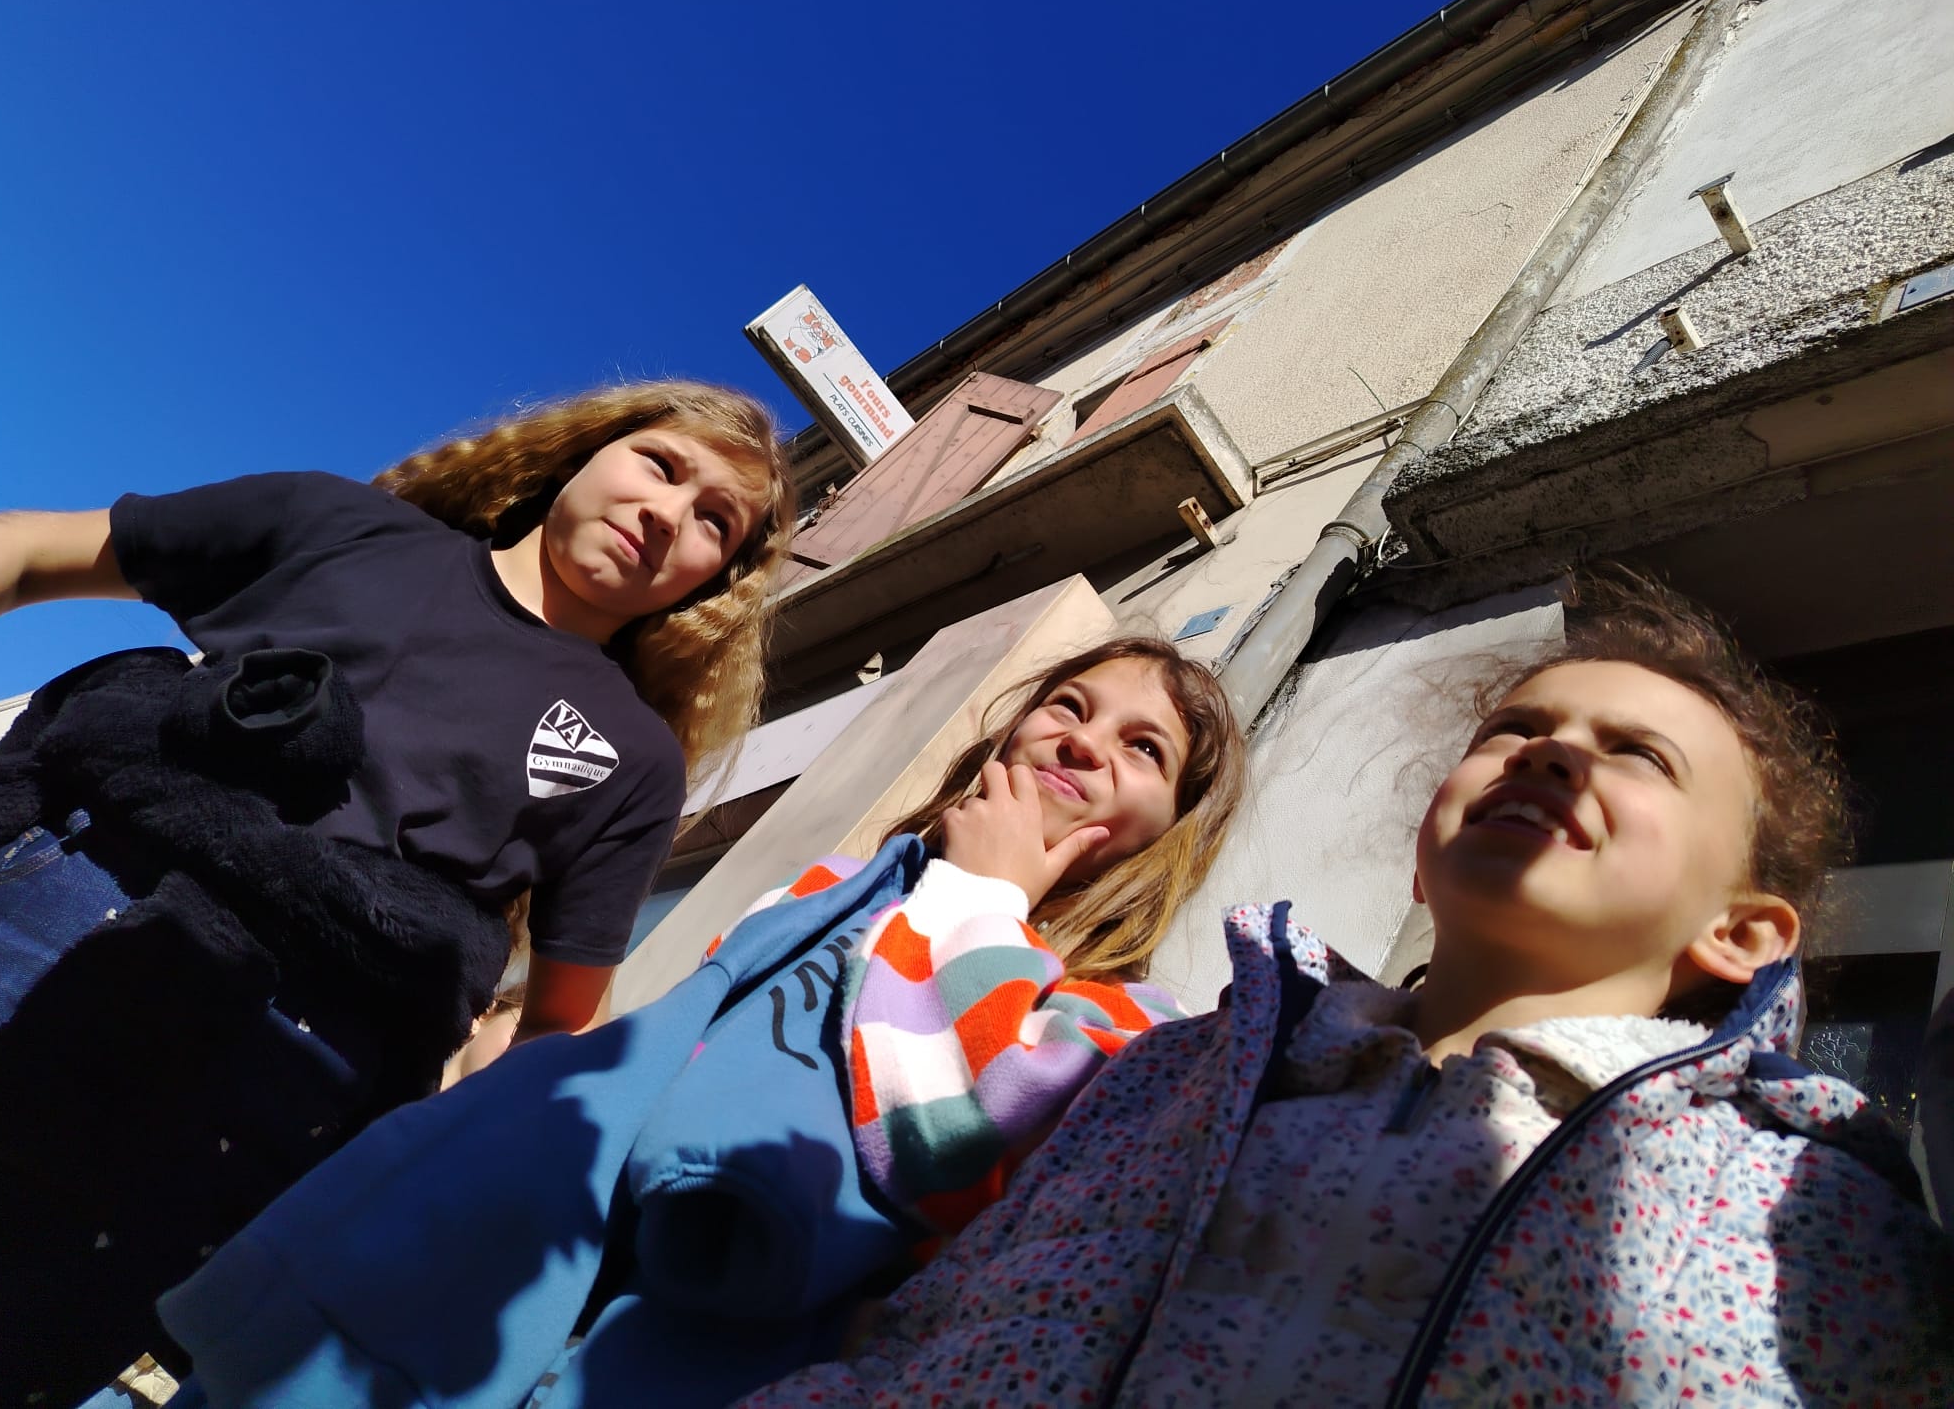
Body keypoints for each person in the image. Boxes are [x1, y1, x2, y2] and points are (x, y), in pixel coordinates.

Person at [742, 572, 1954, 1408]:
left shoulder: (1809, 1209)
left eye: (1634, 755)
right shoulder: (1176, 1076)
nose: (1549, 749)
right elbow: (927, 1340)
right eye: (1511, 730)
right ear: (1423, 862)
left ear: (1740, 934)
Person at [0, 379, 794, 1406]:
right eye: (660, 466)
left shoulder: (636, 762)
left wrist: (439, 1184)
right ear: (583, 453)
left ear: (716, 580)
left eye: (715, 521)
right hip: (30, 934)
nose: (667, 515)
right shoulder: (335, 522)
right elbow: (30, 548)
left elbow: (557, 1026)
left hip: (240, 1115)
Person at [153, 635, 1246, 1409]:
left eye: (1144, 748)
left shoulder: (1121, 1023)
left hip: (669, 1354)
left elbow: (950, 1143)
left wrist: (982, 897)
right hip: (464, 1270)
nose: (1084, 742)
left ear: (1170, 829)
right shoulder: (844, 886)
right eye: (1069, 705)